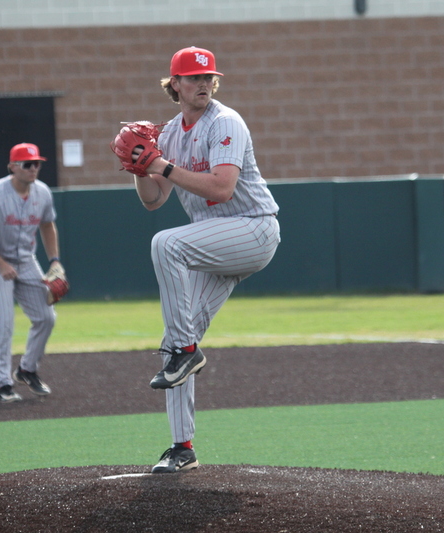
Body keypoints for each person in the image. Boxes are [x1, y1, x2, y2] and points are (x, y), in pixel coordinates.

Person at [127, 46, 280, 473]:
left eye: (209, 76)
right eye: (193, 78)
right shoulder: (171, 132)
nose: (203, 84)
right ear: (174, 83)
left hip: (252, 229)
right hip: (215, 245)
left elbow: (222, 188)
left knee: (165, 244)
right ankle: (182, 448)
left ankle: (188, 350)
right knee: (172, 343)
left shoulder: (225, 121)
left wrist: (162, 165)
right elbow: (155, 200)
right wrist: (142, 170)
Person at [0, 143, 62, 403]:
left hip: (25, 260)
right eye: (27, 164)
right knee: (3, 322)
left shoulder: (42, 192)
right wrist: (0, 264)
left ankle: (26, 369)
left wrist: (54, 261)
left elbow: (48, 225)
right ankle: (3, 385)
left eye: (37, 164)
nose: (34, 169)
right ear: (12, 167)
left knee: (46, 317)